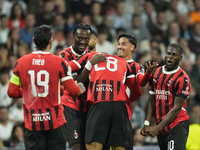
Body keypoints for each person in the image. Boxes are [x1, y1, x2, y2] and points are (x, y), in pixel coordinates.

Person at [7, 25, 85, 150]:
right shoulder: (60, 62)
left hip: (32, 123)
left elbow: (12, 92)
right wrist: (79, 89)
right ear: (50, 41)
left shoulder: (20, 62)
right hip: (56, 122)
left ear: (33, 41)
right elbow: (74, 91)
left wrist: (30, 91)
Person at [68, 51, 137, 150]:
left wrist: (88, 65)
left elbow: (66, 67)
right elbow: (136, 88)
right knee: (119, 145)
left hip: (99, 104)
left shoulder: (91, 56)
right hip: (120, 106)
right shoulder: (123, 62)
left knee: (93, 146)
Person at [140, 43, 191, 150]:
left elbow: (176, 108)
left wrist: (157, 128)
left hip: (177, 125)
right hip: (161, 126)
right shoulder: (156, 73)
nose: (170, 57)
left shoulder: (182, 78)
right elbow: (151, 100)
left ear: (180, 58)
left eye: (174, 55)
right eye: (168, 53)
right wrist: (147, 122)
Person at [117, 33, 158, 150]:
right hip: (106, 109)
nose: (119, 46)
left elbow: (141, 82)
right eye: (118, 44)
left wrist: (148, 73)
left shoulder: (136, 66)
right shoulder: (112, 62)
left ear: (132, 47)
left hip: (123, 110)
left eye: (123, 44)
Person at [58, 23, 92, 150]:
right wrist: (88, 66)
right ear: (73, 36)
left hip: (88, 106)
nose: (83, 42)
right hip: (70, 105)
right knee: (76, 145)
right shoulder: (64, 55)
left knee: (88, 146)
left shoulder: (92, 54)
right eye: (79, 38)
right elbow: (68, 82)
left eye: (86, 39)